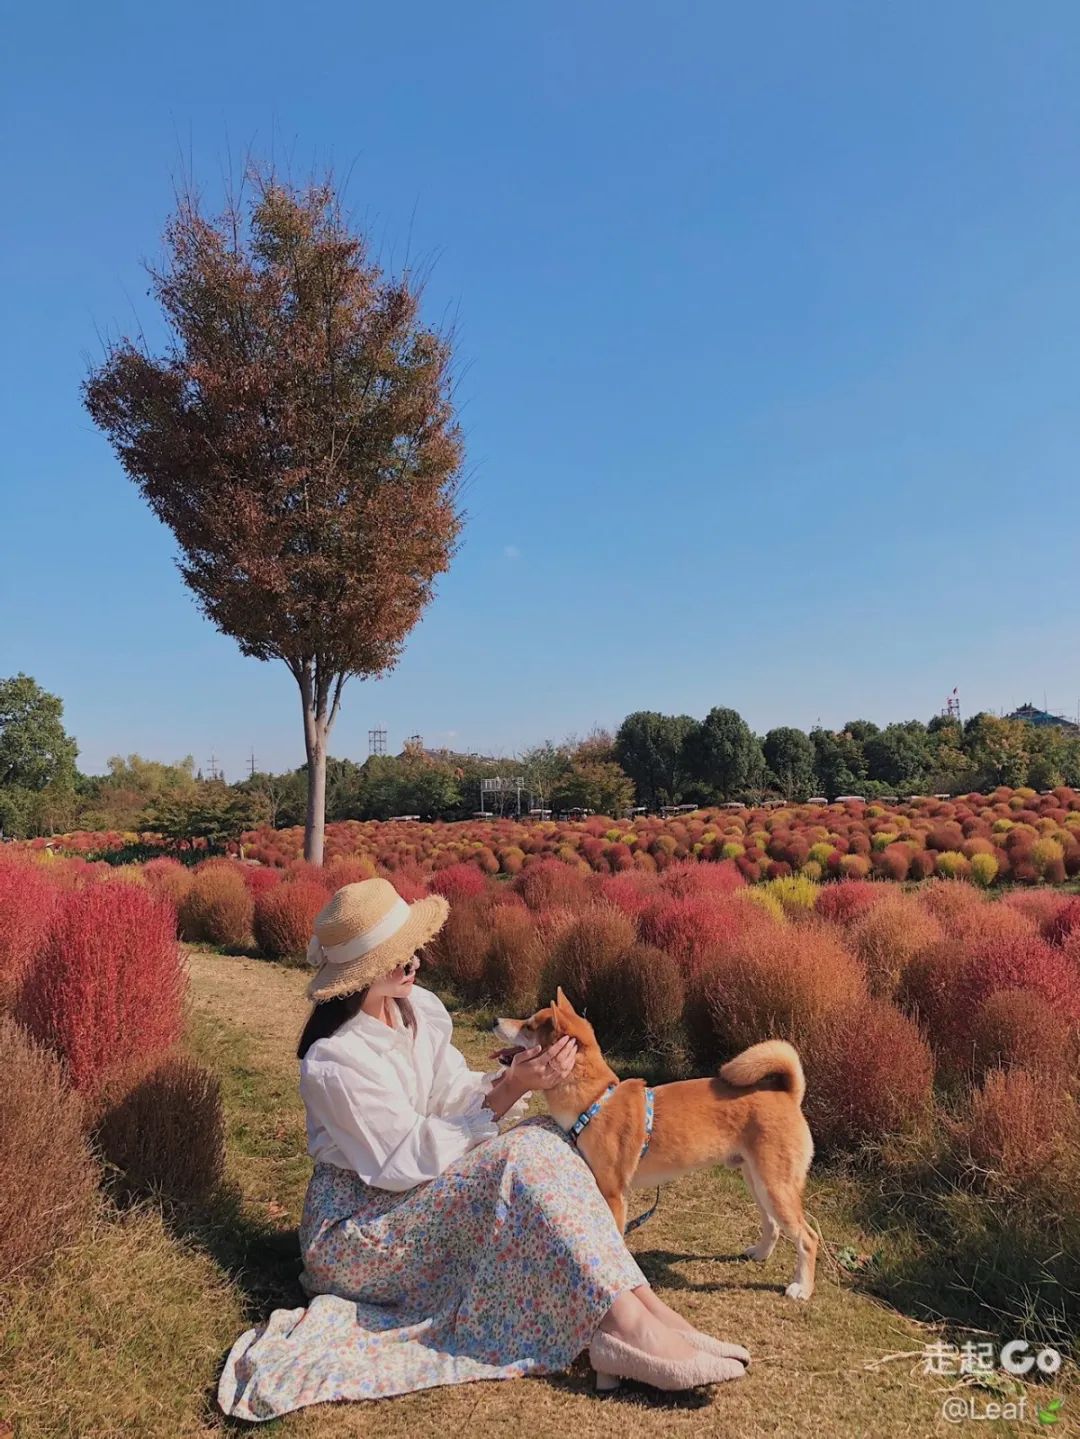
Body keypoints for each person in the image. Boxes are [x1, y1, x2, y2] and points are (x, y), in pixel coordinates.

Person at [218, 877, 748, 1422]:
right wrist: (514, 1088)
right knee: (518, 1156)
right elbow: (402, 1162)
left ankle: (640, 1309)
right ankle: (623, 1326)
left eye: (412, 948)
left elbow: (453, 1096)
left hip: (412, 1199)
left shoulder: (413, 1009)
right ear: (359, 974)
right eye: (397, 955)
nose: (415, 961)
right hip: (361, 1232)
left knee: (544, 1134)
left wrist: (516, 1079)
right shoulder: (335, 1061)